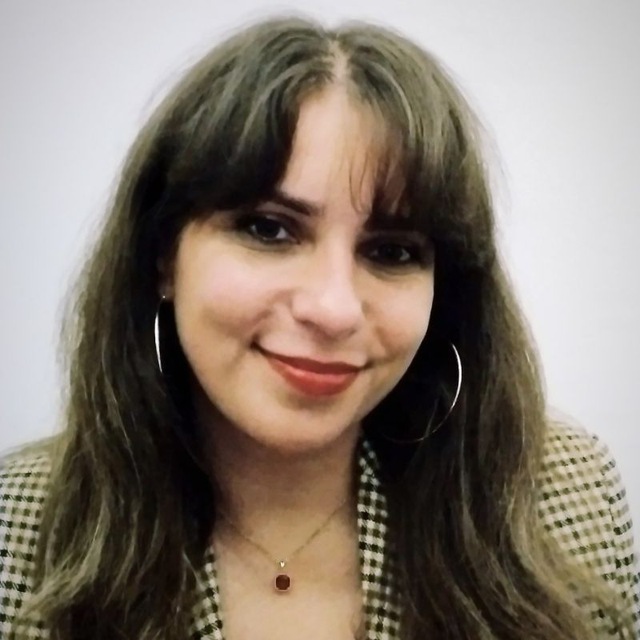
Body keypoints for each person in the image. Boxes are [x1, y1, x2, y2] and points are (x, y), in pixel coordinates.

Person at [0, 16, 638, 640]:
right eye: (269, 229)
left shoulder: (566, 500)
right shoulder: (15, 528)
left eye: (391, 251)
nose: (334, 309)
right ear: (164, 254)